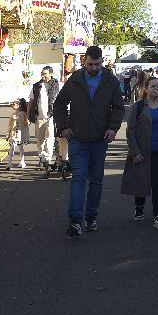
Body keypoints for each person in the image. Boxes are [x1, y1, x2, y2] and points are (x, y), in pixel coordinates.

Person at [53, 45, 125, 239]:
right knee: (78, 178)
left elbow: (118, 108)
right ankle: (75, 221)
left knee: (96, 180)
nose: (94, 68)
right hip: (78, 138)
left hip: (100, 139)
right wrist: (63, 127)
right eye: (90, 64)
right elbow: (59, 104)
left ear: (102, 62)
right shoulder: (75, 79)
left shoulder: (111, 81)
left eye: (97, 64)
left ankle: (91, 217)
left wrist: (113, 128)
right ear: (84, 61)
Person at [120, 74, 158, 229]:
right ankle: (139, 206)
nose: (156, 89)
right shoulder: (138, 107)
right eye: (152, 86)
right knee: (141, 181)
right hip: (143, 152)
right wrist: (134, 152)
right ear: (146, 89)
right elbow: (130, 131)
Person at [29, 67, 60, 169]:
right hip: (39, 116)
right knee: (40, 138)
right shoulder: (37, 86)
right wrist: (28, 115)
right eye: (42, 73)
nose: (43, 75)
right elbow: (31, 101)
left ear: (51, 74)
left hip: (51, 115)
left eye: (45, 74)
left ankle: (48, 157)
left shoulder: (57, 85)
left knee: (50, 137)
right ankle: (41, 156)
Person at [6, 98, 30, 169]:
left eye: (14, 104)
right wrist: (8, 133)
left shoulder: (23, 114)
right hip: (14, 134)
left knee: (20, 147)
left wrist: (25, 119)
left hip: (20, 134)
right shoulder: (14, 114)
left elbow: (27, 123)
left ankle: (22, 161)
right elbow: (10, 125)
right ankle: (10, 162)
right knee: (12, 147)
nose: (12, 105)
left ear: (19, 105)